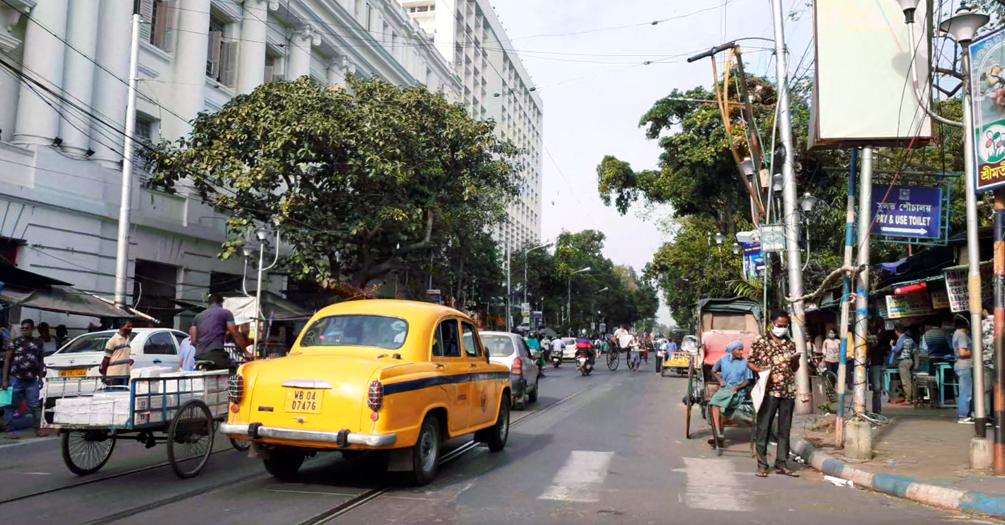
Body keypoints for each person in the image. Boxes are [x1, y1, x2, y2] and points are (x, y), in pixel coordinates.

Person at [749, 310, 800, 478]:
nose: (782, 328)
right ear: (772, 324)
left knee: (784, 428)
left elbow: (794, 369)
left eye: (786, 326)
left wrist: (795, 361)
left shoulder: (790, 342)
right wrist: (759, 369)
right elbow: (750, 361)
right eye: (780, 325)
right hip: (769, 390)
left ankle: (781, 463)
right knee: (764, 426)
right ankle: (762, 464)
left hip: (788, 390)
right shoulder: (761, 340)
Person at [2, 319, 47, 438]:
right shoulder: (15, 342)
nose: (24, 331)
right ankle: (9, 431)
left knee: (34, 405)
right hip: (16, 378)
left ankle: (38, 429)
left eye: (26, 328)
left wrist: (41, 377)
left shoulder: (39, 343)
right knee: (10, 405)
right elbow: (7, 361)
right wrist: (5, 380)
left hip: (32, 380)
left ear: (32, 329)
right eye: (22, 328)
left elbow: (41, 361)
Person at [708, 341, 754, 447]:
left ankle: (718, 434)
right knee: (715, 403)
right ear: (732, 351)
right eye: (739, 350)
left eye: (742, 349)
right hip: (725, 389)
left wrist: (738, 387)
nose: (741, 352)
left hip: (738, 391)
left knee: (722, 408)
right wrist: (720, 380)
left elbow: (748, 380)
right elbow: (713, 370)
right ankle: (718, 433)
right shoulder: (723, 360)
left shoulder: (745, 362)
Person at [189, 294, 250, 372]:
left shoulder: (197, 317)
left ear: (208, 304)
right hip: (215, 353)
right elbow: (234, 332)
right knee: (233, 371)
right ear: (221, 303)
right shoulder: (226, 313)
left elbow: (193, 341)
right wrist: (245, 352)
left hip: (199, 356)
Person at [953, 317, 975, 424]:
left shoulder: (956, 334)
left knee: (966, 391)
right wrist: (974, 353)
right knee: (966, 392)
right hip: (964, 365)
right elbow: (962, 353)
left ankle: (967, 415)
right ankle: (963, 416)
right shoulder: (961, 335)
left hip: (961, 366)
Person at [100, 321, 134, 385]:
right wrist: (104, 375)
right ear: (121, 327)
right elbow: (106, 359)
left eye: (131, 327)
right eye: (128, 326)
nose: (130, 328)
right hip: (114, 374)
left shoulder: (128, 340)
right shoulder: (113, 341)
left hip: (125, 373)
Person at [892, 324, 916, 406]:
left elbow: (897, 350)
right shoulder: (910, 339)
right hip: (910, 360)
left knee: (905, 381)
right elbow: (915, 349)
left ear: (896, 332)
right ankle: (910, 397)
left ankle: (908, 399)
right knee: (909, 380)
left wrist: (892, 346)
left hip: (903, 361)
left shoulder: (901, 339)